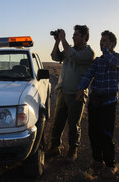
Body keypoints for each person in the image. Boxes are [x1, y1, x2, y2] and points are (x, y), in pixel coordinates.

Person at [76, 30, 119, 175]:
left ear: (112, 44)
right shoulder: (97, 61)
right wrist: (80, 89)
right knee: (93, 132)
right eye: (100, 41)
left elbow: (114, 62)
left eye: (104, 41)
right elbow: (88, 75)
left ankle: (110, 165)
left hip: (109, 102)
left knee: (106, 134)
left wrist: (106, 51)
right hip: (95, 101)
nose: (101, 43)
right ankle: (97, 160)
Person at [49, 25, 95, 162]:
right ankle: (54, 147)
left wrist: (63, 39)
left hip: (77, 94)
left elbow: (74, 57)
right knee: (58, 121)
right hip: (63, 91)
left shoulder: (88, 52)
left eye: (76, 35)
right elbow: (55, 56)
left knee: (74, 124)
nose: (73, 37)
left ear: (84, 37)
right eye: (73, 34)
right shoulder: (70, 49)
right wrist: (57, 41)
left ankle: (72, 150)